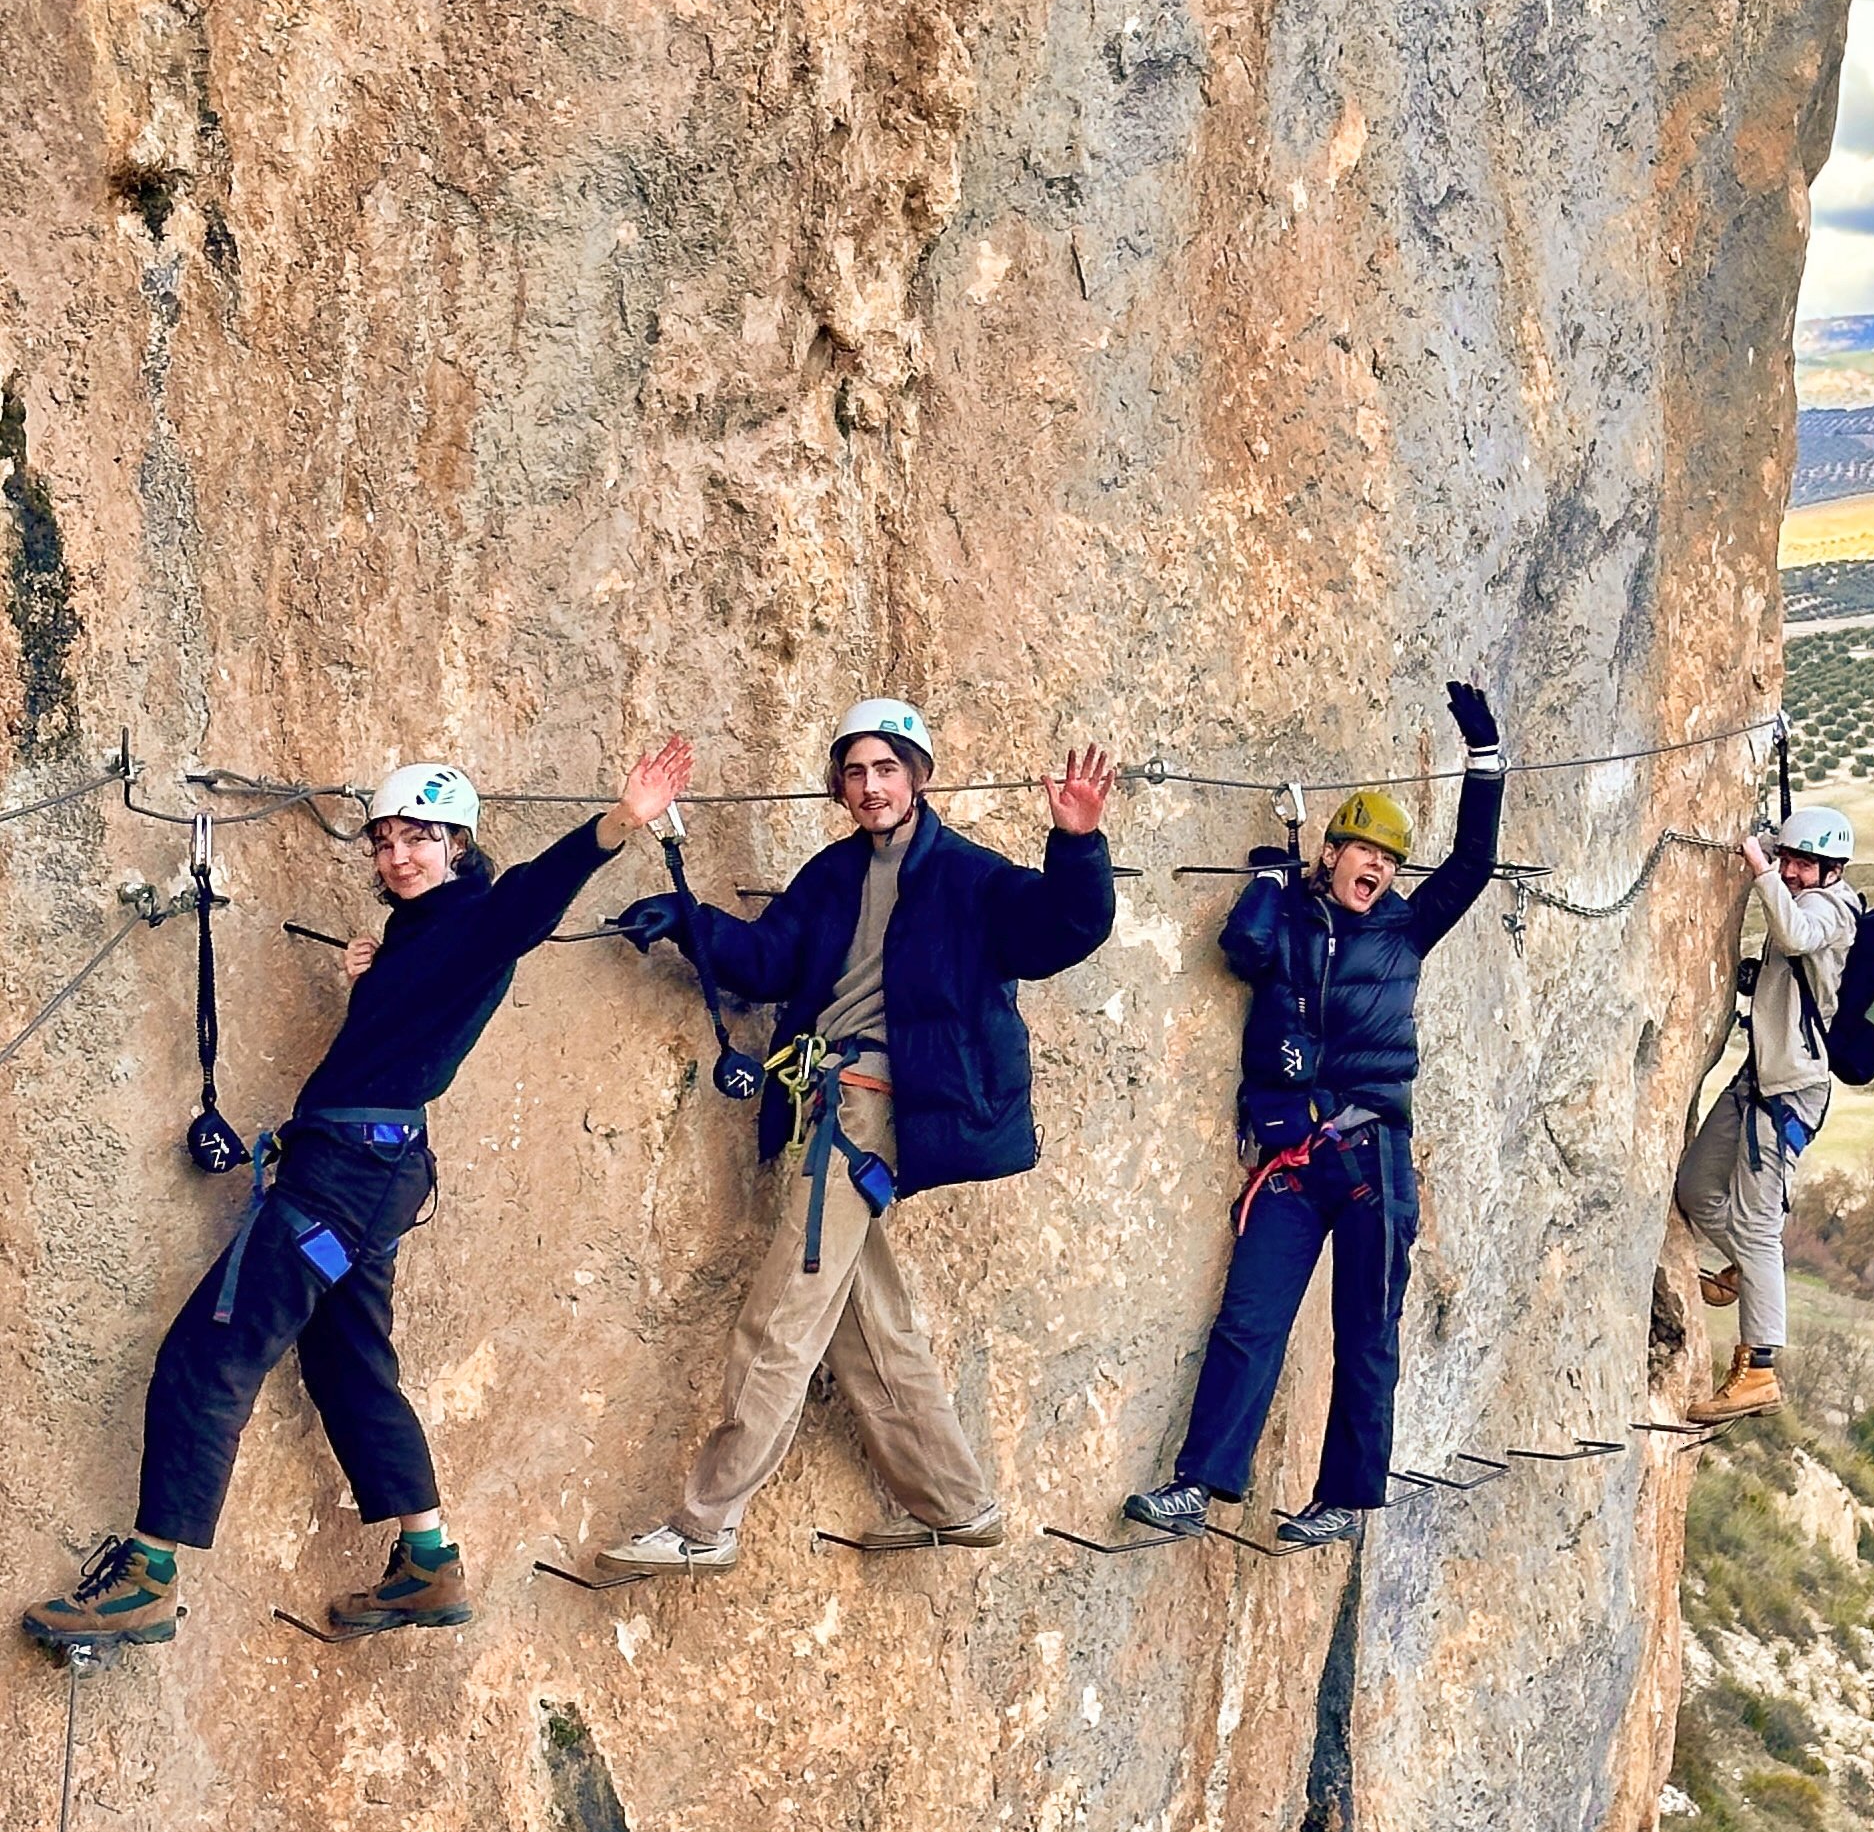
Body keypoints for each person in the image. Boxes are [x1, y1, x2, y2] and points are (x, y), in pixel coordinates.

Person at [22, 739, 695, 1650]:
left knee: (209, 1350)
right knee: (346, 1362)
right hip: (365, 1174)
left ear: (459, 842)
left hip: (346, 1177)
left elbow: (534, 901)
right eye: (384, 842)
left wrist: (619, 822)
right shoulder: (419, 936)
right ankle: (428, 1559)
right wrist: (369, 982)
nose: (398, 855)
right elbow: (401, 1031)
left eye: (419, 837)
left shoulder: (480, 917)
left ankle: (148, 1576)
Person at [600, 700, 1116, 1568]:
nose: (871, 787)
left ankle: (705, 1524)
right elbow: (771, 960)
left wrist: (1076, 845)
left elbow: (1064, 928)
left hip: (866, 1110)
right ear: (839, 786)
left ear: (918, 776)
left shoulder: (970, 879)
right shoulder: (834, 874)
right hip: (827, 1104)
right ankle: (956, 1503)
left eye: (886, 769)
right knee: (866, 1324)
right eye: (855, 772)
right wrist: (691, 922)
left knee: (781, 1320)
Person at [1123, 683, 1505, 1550]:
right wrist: (1268, 879)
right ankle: (1198, 1485)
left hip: (1374, 1158)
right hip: (1293, 1160)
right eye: (1363, 852)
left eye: (1390, 861)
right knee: (1249, 1319)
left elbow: (1474, 864)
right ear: (1330, 854)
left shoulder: (1408, 929)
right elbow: (1242, 948)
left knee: (1366, 1333)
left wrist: (1484, 759)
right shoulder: (1287, 924)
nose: (1379, 869)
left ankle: (1344, 1500)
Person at [1674, 804, 1861, 1425]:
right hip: (1760, 1079)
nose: (1794, 871)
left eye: (1805, 863)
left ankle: (1757, 1371)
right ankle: (1747, 1276)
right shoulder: (1807, 895)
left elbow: (1797, 936)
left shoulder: (1830, 909)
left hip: (1788, 1092)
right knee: (1698, 1187)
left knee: (1758, 1230)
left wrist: (1760, 870)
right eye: (1788, 859)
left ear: (1832, 868)